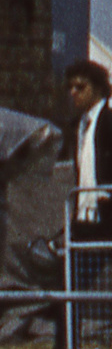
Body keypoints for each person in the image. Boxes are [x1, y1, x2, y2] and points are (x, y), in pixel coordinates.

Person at [65, 60, 112, 239]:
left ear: (98, 88)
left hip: (106, 217)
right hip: (83, 219)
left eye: (80, 87)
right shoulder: (78, 126)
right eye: (70, 87)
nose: (73, 92)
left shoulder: (108, 121)